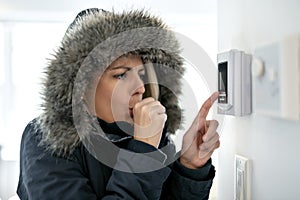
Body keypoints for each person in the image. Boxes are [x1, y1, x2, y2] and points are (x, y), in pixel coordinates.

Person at [17, 8, 220, 200]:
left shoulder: (152, 137)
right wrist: (142, 150)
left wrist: (189, 166)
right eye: (121, 75)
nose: (140, 87)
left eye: (142, 75)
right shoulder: (45, 140)